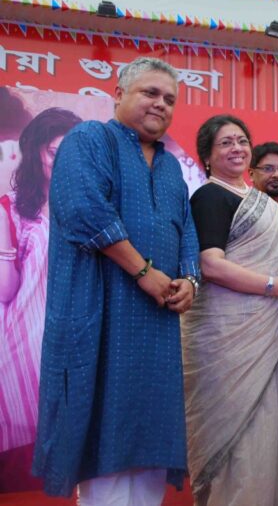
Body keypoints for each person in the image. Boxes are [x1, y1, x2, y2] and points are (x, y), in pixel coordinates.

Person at [32, 57, 201, 504]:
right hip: (99, 313)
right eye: (150, 93)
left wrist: (189, 280)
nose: (160, 104)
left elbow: (185, 228)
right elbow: (83, 209)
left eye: (169, 99)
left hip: (157, 325)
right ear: (118, 94)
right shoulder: (90, 139)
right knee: (103, 441)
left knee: (149, 445)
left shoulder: (169, 168)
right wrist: (144, 273)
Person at [181, 115, 278, 506]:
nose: (236, 149)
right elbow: (209, 265)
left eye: (242, 141)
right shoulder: (208, 197)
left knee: (272, 422)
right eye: (225, 143)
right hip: (227, 334)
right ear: (207, 156)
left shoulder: (260, 202)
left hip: (270, 328)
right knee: (240, 431)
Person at [0, 108, 81, 492]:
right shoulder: (12, 213)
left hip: (79, 352)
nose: (62, 162)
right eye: (53, 153)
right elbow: (5, 291)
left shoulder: (94, 211)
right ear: (34, 153)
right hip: (22, 358)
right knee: (24, 482)